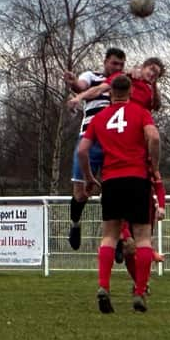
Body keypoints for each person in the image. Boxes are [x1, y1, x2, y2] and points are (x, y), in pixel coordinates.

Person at [78, 74, 163, 313]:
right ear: (131, 92)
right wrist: (154, 166)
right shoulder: (140, 112)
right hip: (137, 178)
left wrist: (89, 178)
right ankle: (139, 291)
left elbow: (83, 151)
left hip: (112, 180)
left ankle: (104, 286)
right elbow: (154, 137)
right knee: (143, 238)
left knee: (109, 236)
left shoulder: (100, 117)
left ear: (110, 93)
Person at [63, 47, 126, 250]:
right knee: (80, 194)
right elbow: (81, 86)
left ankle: (117, 239)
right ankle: (75, 224)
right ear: (105, 61)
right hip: (89, 137)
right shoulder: (92, 76)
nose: (117, 67)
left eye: (121, 65)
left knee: (113, 193)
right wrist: (73, 83)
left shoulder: (123, 83)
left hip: (113, 142)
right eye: (114, 63)